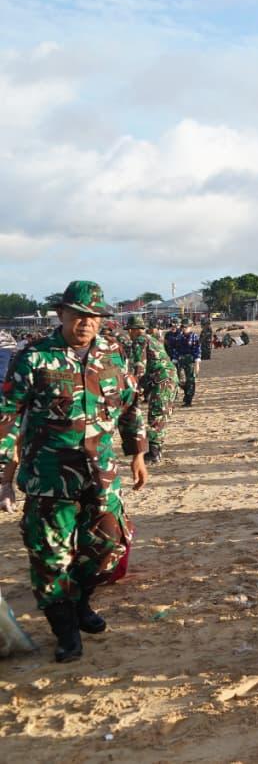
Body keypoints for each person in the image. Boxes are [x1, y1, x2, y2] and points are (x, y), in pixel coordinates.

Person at [0, 281, 148, 662]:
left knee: (108, 547)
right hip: (49, 477)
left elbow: (130, 406)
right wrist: (5, 474)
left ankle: (81, 602)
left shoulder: (113, 355)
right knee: (50, 557)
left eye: (93, 317)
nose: (86, 322)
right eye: (78, 314)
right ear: (61, 314)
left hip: (101, 474)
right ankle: (65, 629)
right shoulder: (34, 358)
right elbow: (8, 416)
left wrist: (138, 454)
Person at [125, 314, 178, 465]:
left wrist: (134, 388)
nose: (128, 333)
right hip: (169, 378)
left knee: (156, 415)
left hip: (162, 380)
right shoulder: (152, 339)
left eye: (130, 330)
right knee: (161, 415)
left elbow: (139, 368)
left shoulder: (140, 341)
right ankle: (156, 450)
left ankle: (154, 454)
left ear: (135, 330)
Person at [165, 319, 201, 407]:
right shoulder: (179, 337)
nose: (184, 328)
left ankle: (188, 400)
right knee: (178, 380)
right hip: (180, 361)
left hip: (190, 362)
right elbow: (176, 349)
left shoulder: (194, 336)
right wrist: (174, 359)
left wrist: (197, 362)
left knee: (190, 380)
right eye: (182, 327)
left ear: (190, 327)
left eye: (186, 327)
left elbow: (197, 349)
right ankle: (186, 393)